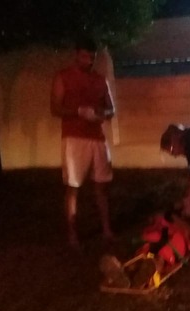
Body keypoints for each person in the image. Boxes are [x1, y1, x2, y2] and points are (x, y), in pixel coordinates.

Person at [50, 35, 115, 247]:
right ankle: (72, 234)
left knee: (102, 186)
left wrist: (101, 114)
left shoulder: (100, 79)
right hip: (74, 139)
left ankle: (106, 229)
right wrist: (78, 111)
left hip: (97, 138)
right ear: (76, 55)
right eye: (85, 57)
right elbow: (55, 108)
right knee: (73, 187)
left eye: (92, 57)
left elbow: (111, 109)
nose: (89, 61)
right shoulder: (63, 77)